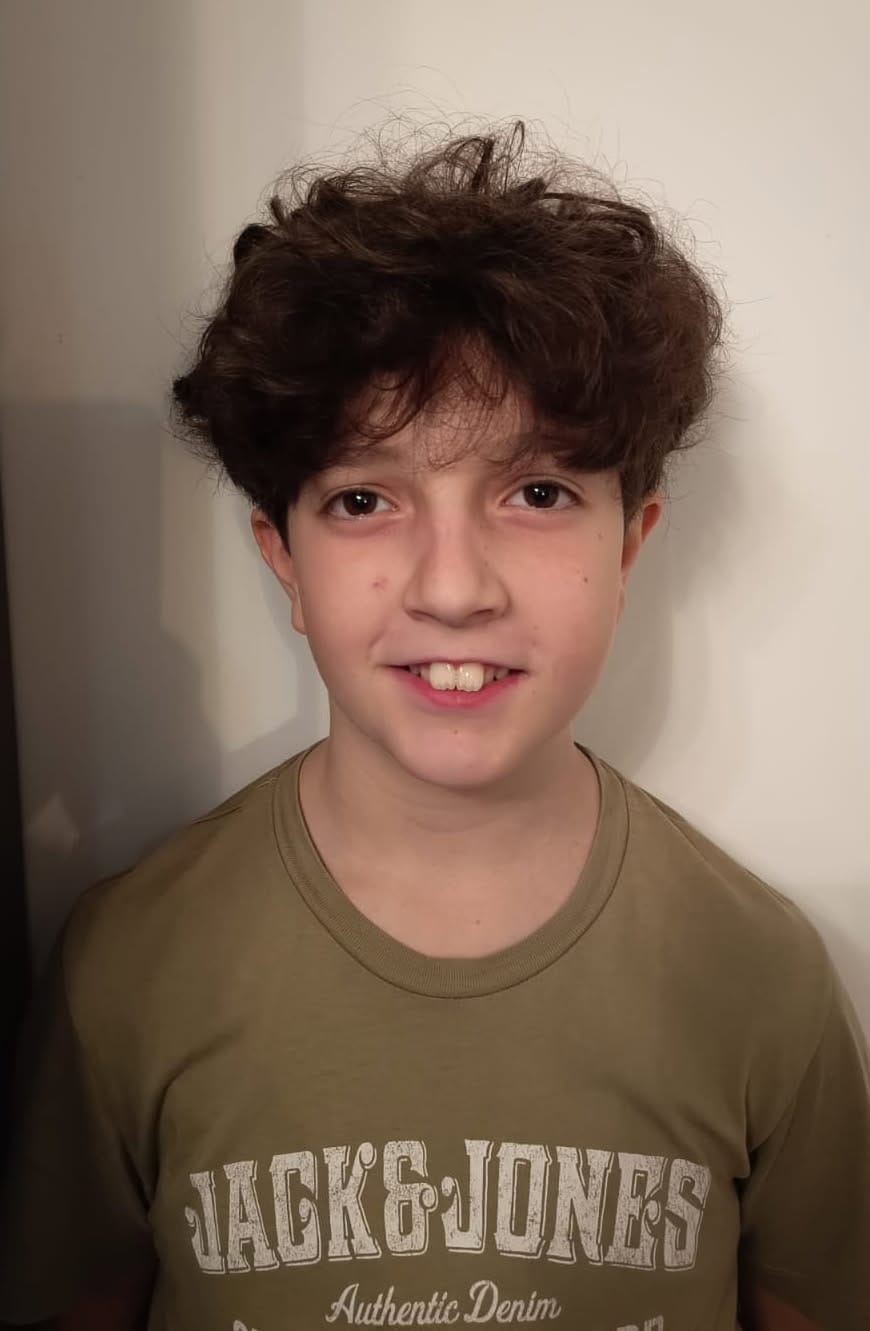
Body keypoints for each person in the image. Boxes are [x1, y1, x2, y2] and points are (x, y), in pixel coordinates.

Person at [1, 123, 868, 1331]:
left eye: (538, 491)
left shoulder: (758, 974)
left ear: (630, 545)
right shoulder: (129, 969)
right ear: (284, 559)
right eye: (364, 498)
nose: (453, 587)